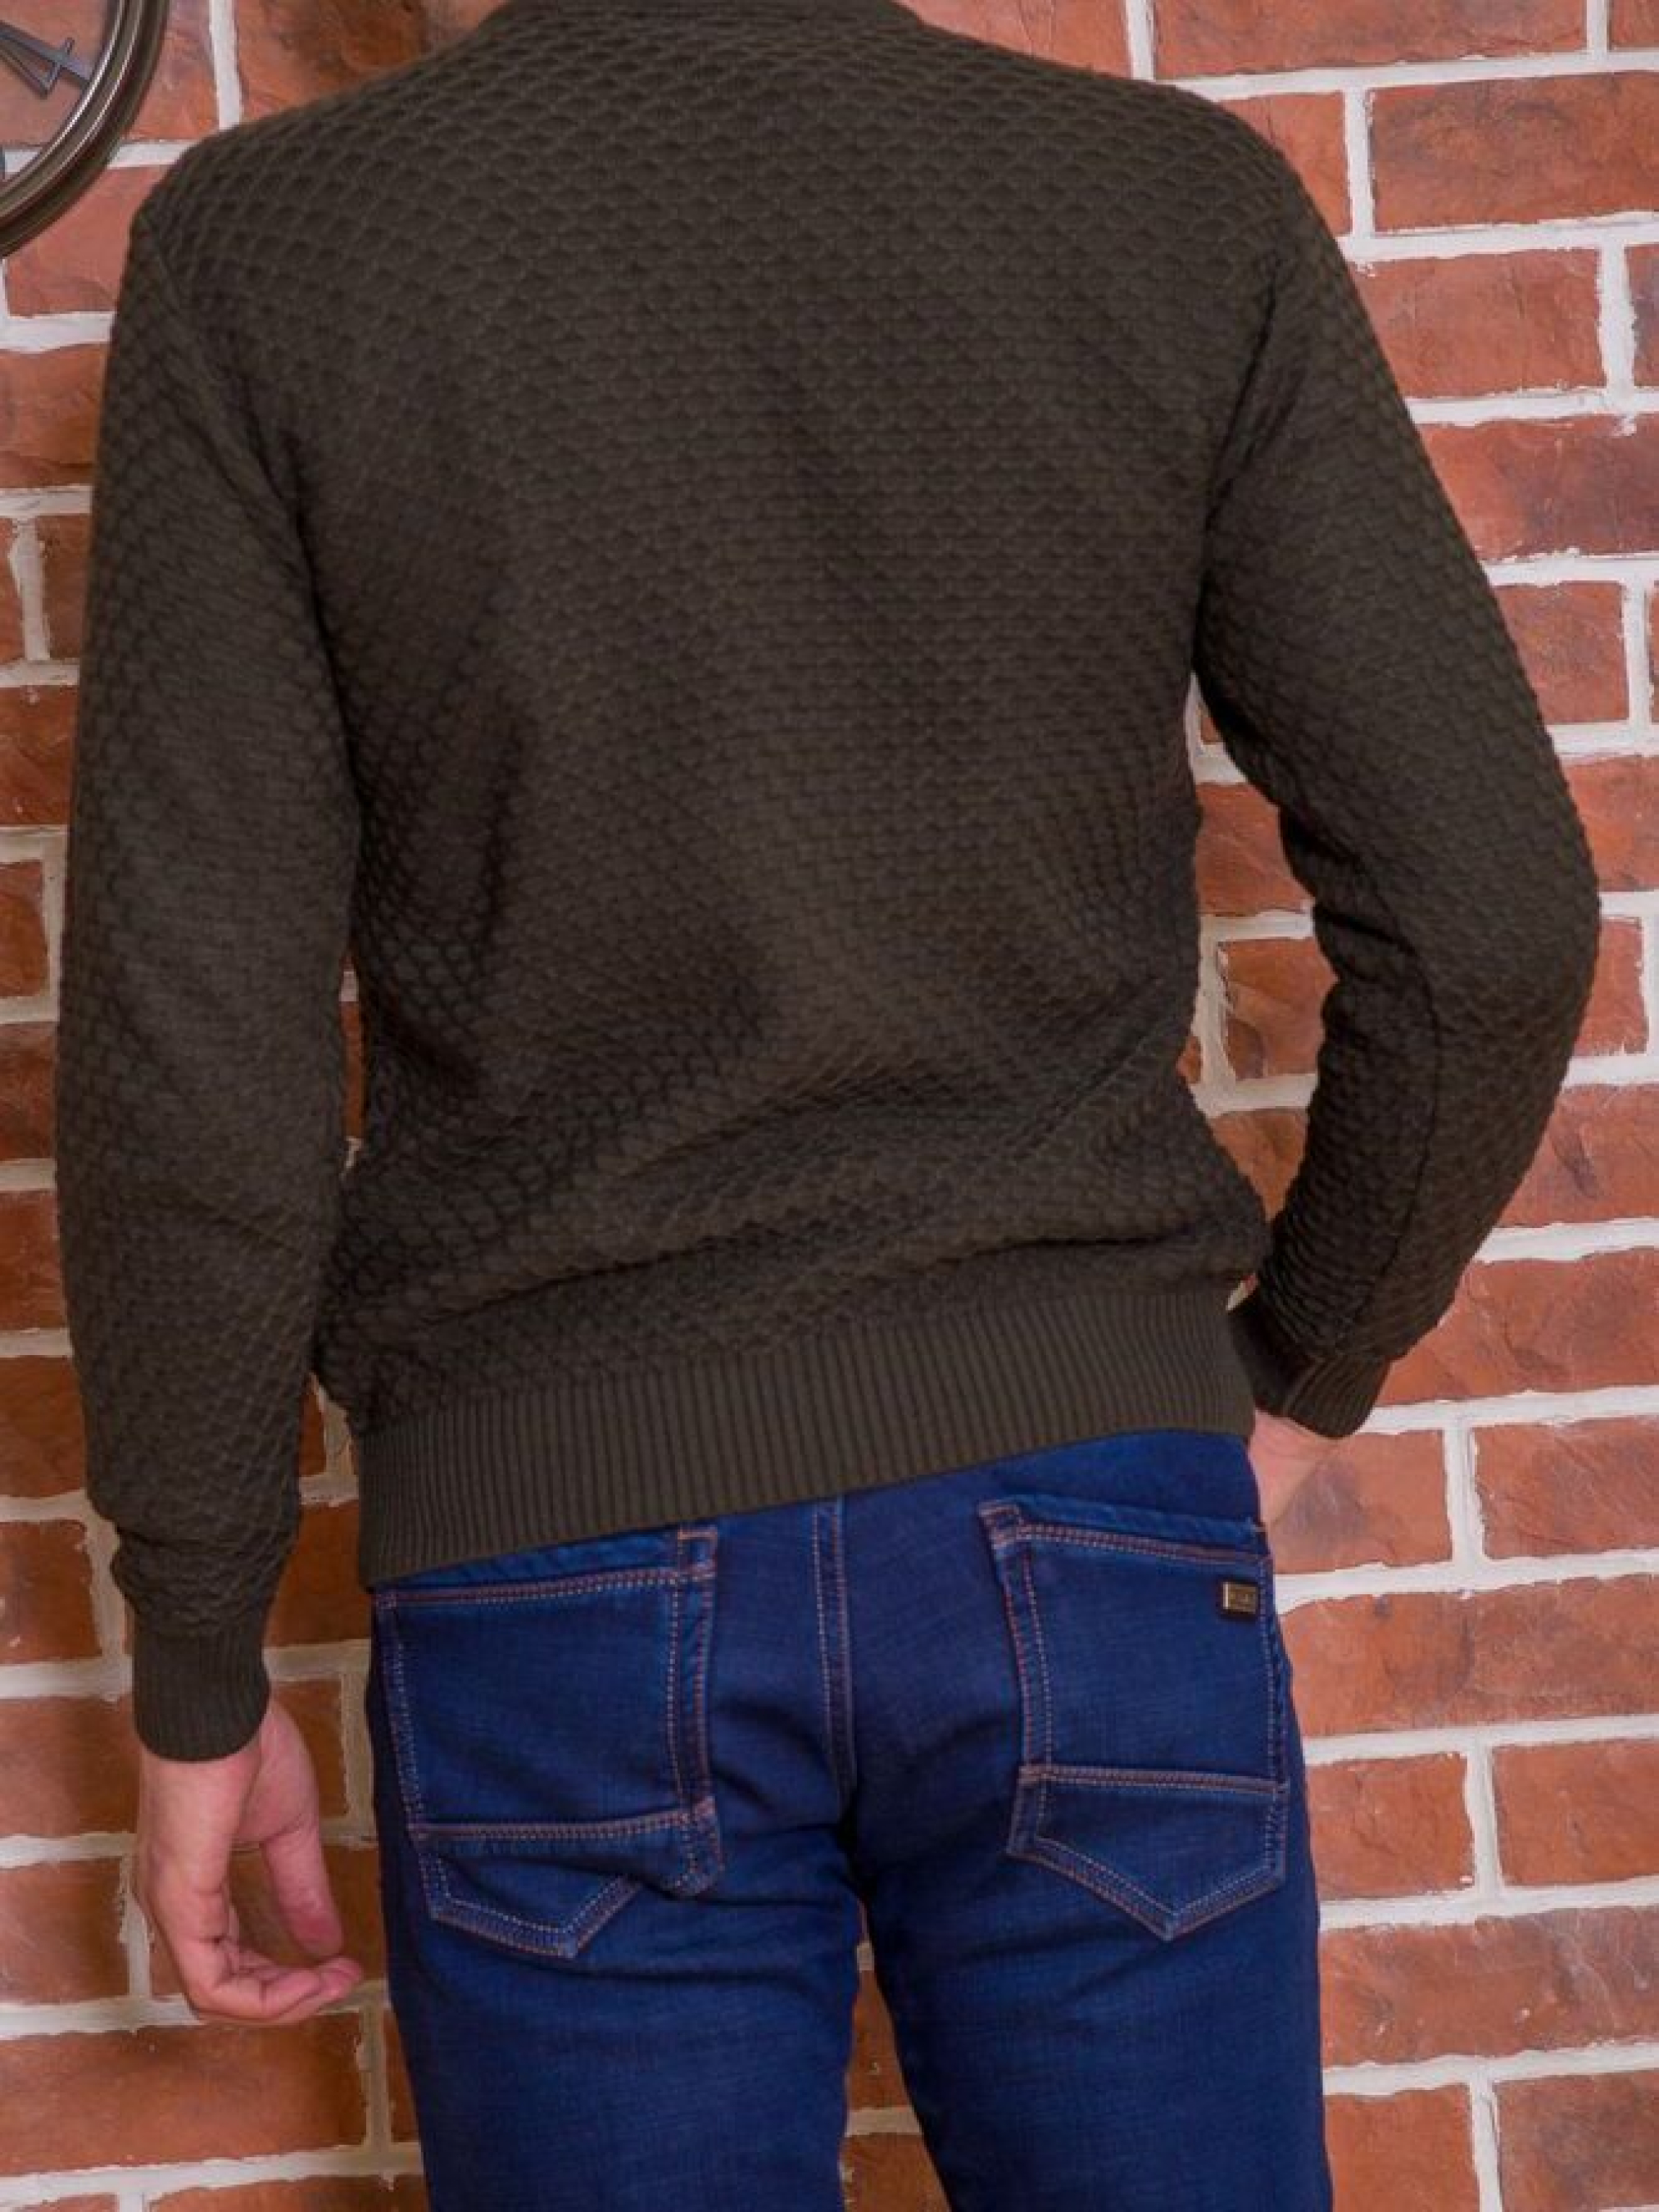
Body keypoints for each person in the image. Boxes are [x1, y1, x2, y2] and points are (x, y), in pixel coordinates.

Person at [52, 0, 1602, 2204]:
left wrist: (203, 1653)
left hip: (555, 1558)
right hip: (1091, 1520)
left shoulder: (273, 248)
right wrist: (1298, 1357)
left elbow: (194, 1042)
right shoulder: (1166, 206)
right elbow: (1488, 918)